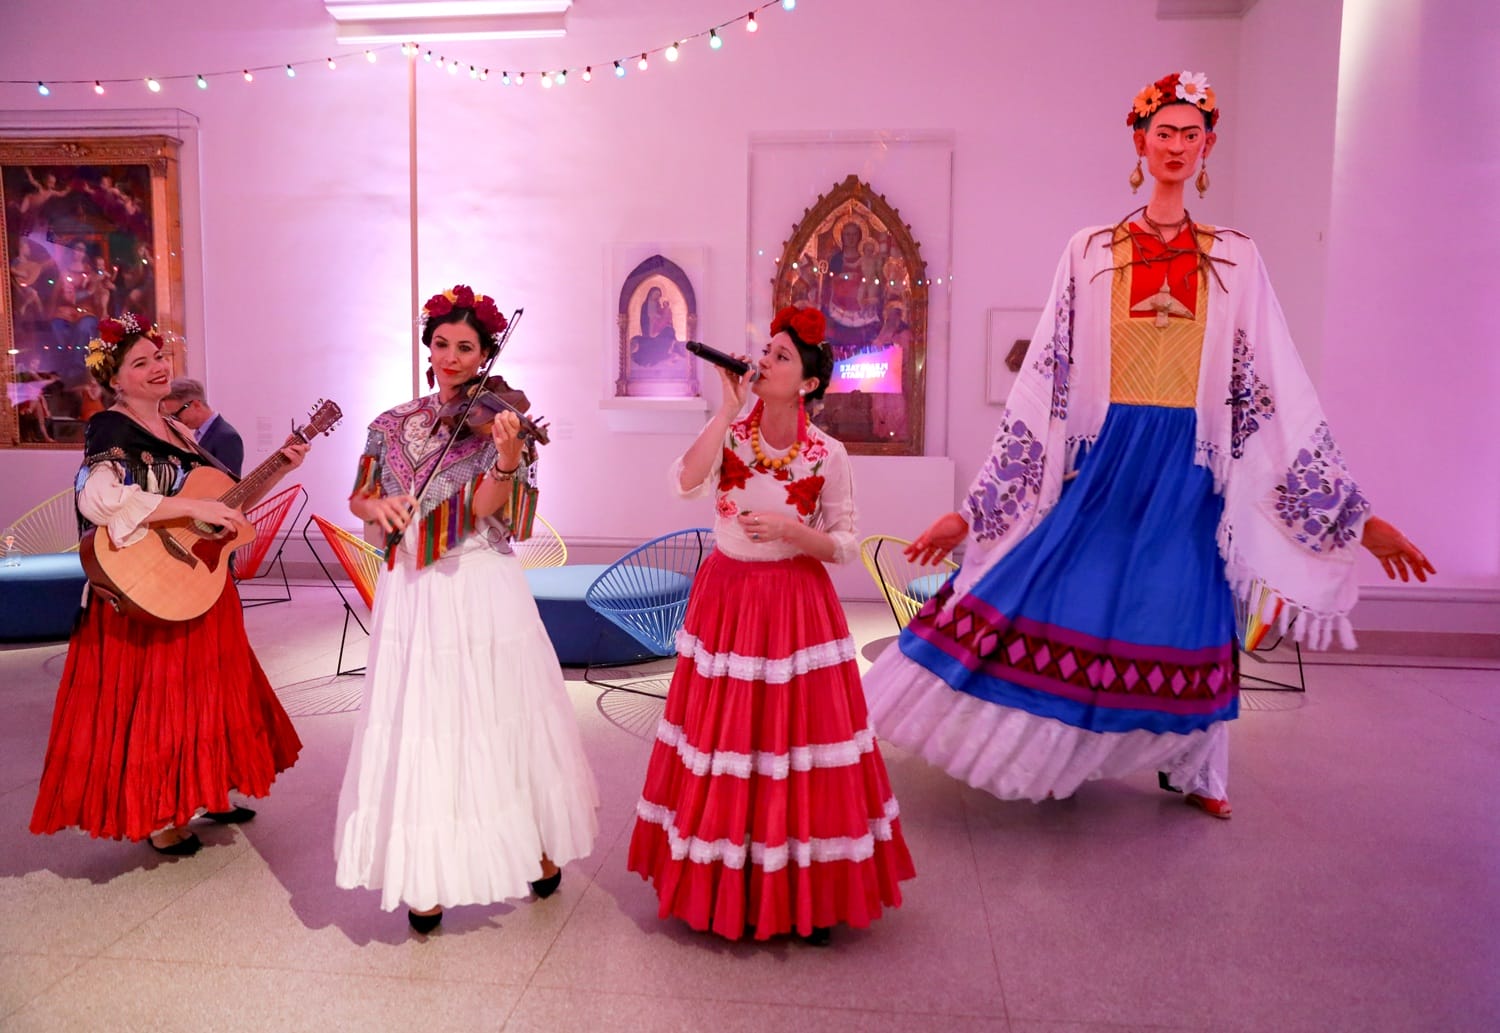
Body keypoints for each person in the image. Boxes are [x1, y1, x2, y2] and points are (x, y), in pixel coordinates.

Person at [861, 71, 1434, 819]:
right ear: (1140, 142)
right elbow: (1046, 382)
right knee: (1069, 595)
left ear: (1207, 147)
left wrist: (1355, 519)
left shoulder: (1237, 258)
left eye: (1191, 135)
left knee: (1190, 613)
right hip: (1110, 464)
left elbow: (1273, 387)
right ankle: (1053, 754)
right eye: (1164, 132)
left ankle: (1199, 771)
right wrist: (972, 514)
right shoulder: (1091, 250)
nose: (1176, 146)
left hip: (1191, 469)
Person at [627, 305, 914, 946]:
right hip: (727, 598)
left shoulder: (828, 453)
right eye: (766, 351)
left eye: (781, 356)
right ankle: (724, 883)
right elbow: (683, 483)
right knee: (726, 739)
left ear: (808, 383)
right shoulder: (731, 432)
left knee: (797, 746)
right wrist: (726, 409)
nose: (763, 362)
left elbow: (845, 544)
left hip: (795, 603)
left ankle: (807, 892)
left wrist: (792, 532)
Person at [334, 284, 599, 934]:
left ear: (485, 356)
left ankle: (532, 844)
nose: (451, 357)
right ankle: (426, 871)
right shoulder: (390, 422)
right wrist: (378, 506)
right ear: (428, 347)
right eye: (442, 344)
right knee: (424, 720)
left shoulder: (497, 422)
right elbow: (359, 495)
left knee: (497, 715)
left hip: (478, 585)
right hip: (412, 590)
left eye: (466, 347)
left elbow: (486, 510)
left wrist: (507, 457)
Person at [29, 313, 307, 855]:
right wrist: (188, 508)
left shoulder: (179, 429)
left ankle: (207, 787)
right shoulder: (110, 427)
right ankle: (160, 813)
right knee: (161, 702)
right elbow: (99, 500)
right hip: (147, 588)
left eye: (158, 357)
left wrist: (280, 468)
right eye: (141, 363)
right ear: (115, 379)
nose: (158, 367)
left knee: (210, 695)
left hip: (197, 580)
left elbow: (225, 504)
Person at [162, 377, 244, 477]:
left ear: (196, 405)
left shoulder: (227, 437)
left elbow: (229, 482)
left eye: (176, 415)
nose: (175, 421)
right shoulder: (198, 434)